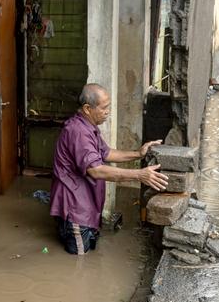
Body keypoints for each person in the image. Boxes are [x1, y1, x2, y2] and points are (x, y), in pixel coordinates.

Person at [49, 83, 168, 255]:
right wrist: (139, 175)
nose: (108, 112)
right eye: (104, 108)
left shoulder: (88, 127)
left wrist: (138, 153)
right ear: (88, 108)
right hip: (75, 207)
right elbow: (96, 170)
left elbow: (107, 153)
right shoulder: (78, 132)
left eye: (108, 107)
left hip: (86, 203)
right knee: (79, 260)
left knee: (88, 249)